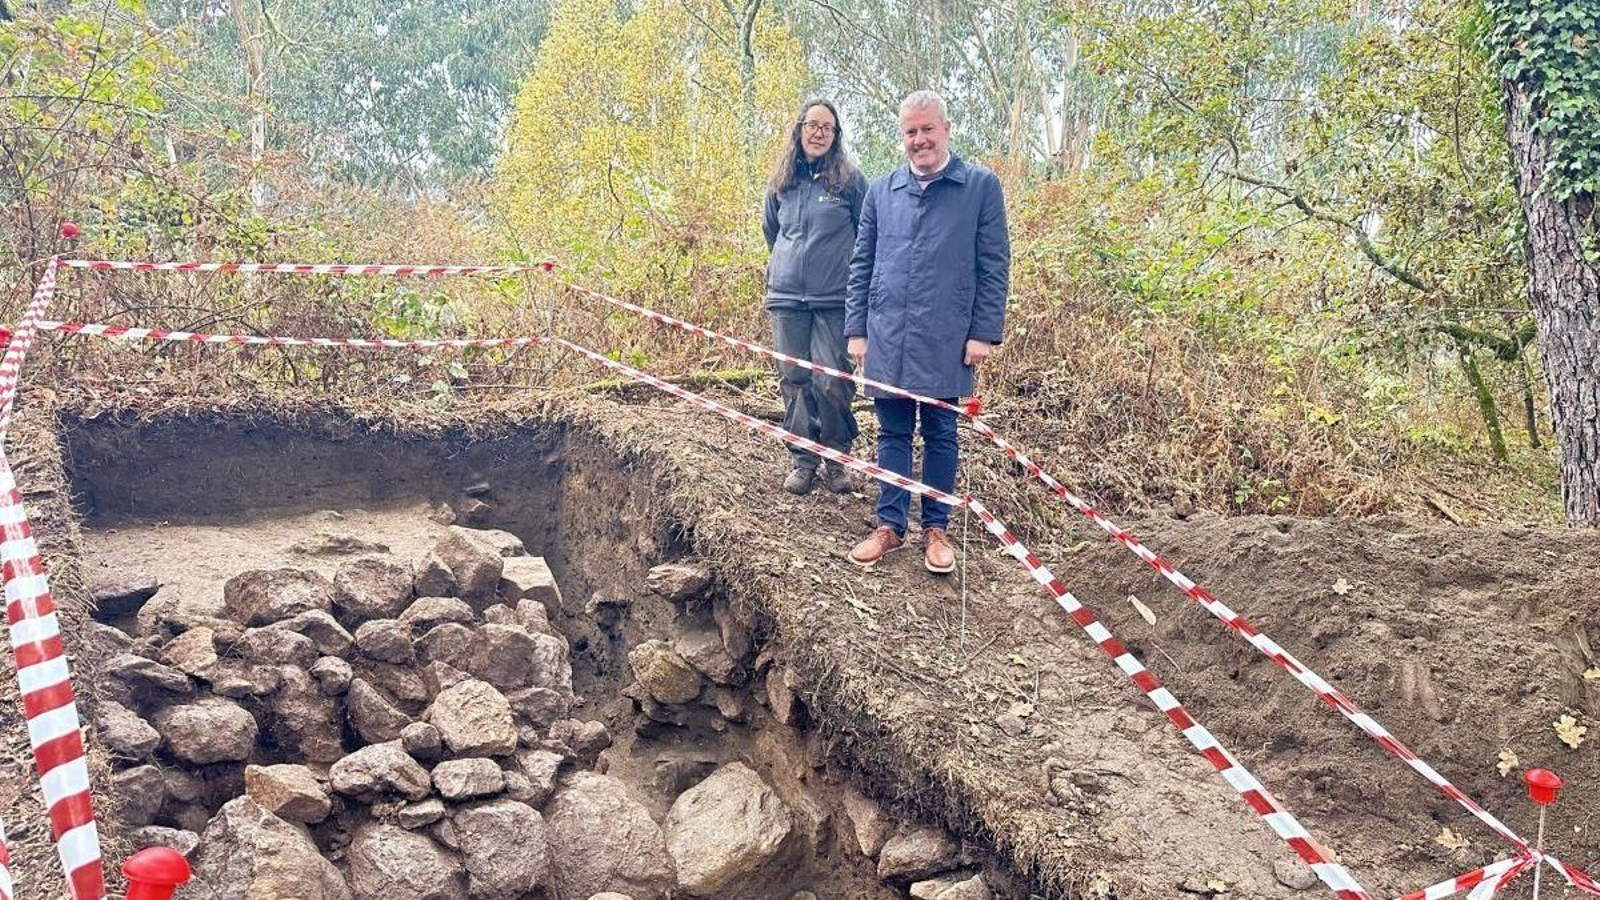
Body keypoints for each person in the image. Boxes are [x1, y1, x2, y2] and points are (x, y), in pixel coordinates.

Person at [843, 90, 1010, 573]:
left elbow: (994, 264)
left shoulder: (980, 187)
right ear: (903, 137)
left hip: (947, 335)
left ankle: (936, 529)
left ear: (946, 129)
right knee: (892, 431)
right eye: (911, 132)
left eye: (927, 129)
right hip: (887, 333)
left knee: (940, 433)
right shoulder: (881, 191)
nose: (920, 140)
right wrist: (858, 329)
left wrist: (983, 332)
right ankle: (890, 527)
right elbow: (862, 264)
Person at [763, 98, 869, 495]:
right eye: (813, 125)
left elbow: (867, 237)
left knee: (833, 382)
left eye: (828, 127)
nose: (819, 132)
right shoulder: (783, 182)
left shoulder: (851, 181)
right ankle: (802, 461)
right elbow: (771, 231)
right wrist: (788, 266)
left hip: (835, 299)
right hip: (787, 298)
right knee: (794, 379)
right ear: (800, 129)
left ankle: (836, 459)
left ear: (836, 135)